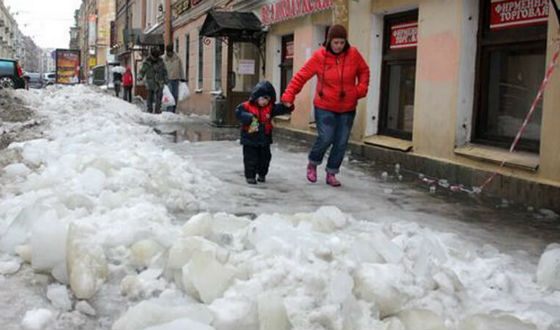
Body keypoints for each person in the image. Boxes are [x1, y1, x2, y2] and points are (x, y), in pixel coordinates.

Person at [281, 24, 370, 187]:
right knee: (326, 137)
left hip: (348, 106)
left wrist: (360, 89)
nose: (339, 46)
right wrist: (289, 95)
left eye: (342, 42)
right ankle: (313, 163)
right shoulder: (320, 57)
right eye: (336, 42)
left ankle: (331, 173)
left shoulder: (354, 54)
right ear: (329, 41)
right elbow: (301, 76)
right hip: (325, 105)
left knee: (341, 141)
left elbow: (364, 71)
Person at [235, 81, 294, 185]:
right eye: (263, 98)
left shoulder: (270, 108)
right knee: (250, 158)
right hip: (250, 138)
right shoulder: (246, 106)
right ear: (257, 96)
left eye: (268, 99)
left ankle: (262, 174)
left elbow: (280, 108)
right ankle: (250, 176)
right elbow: (238, 113)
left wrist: (288, 106)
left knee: (265, 158)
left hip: (264, 138)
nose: (265, 102)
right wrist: (248, 117)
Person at [139, 47, 168, 114]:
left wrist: (166, 80)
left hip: (159, 82)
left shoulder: (161, 62)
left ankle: (157, 110)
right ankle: (149, 109)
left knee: (159, 97)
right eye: (154, 57)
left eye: (156, 57)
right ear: (151, 55)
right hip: (150, 82)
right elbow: (142, 71)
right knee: (150, 97)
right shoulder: (147, 62)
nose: (155, 58)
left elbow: (165, 71)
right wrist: (140, 76)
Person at [163, 44, 184, 113]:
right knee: (169, 96)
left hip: (176, 79)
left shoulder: (177, 58)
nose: (169, 53)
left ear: (172, 51)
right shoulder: (163, 58)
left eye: (170, 51)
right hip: (167, 79)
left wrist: (182, 77)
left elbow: (181, 68)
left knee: (175, 95)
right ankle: (169, 111)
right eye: (168, 52)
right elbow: (161, 69)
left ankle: (173, 110)